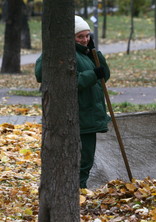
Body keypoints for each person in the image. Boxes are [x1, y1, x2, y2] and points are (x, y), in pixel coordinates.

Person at [35, 15, 111, 189]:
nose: (85, 40)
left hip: (89, 114)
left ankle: (79, 190)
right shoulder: (63, 53)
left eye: (87, 36)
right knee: (80, 159)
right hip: (78, 114)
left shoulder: (86, 53)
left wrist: (95, 53)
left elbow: (104, 76)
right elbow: (66, 83)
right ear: (70, 37)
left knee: (87, 158)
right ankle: (76, 190)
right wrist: (93, 74)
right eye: (80, 37)